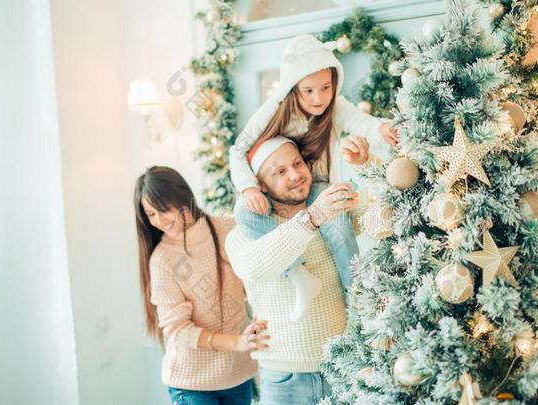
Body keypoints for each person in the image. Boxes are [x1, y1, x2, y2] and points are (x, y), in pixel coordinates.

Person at [231, 34, 391, 321]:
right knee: (245, 212)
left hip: (317, 185)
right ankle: (298, 273)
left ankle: (360, 298)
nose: (319, 99)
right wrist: (248, 189)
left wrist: (380, 131)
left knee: (339, 227)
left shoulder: (335, 107)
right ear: (293, 88)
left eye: (326, 88)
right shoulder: (275, 109)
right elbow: (238, 150)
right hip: (273, 189)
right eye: (308, 91)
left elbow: (361, 122)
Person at [226, 137, 364, 404]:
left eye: (297, 163)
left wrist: (363, 163)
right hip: (285, 379)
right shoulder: (242, 233)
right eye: (279, 171)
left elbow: (380, 211)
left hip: (344, 367)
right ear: (260, 185)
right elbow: (253, 268)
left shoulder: (331, 217)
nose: (295, 175)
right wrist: (310, 219)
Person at [134, 166, 270, 405]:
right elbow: (178, 330)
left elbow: (258, 274)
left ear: (182, 197)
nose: (159, 221)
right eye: (150, 215)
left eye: (163, 210)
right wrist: (236, 343)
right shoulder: (162, 260)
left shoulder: (227, 229)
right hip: (192, 383)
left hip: (238, 376)